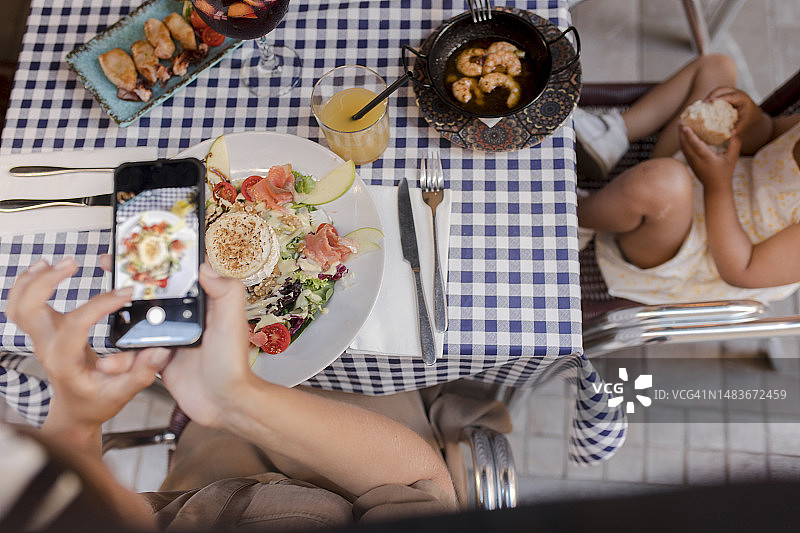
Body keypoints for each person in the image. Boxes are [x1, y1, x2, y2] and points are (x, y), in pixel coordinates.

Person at [0, 257, 511, 531]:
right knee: (397, 359)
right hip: (376, 448)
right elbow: (420, 484)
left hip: (211, 443)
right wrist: (239, 399)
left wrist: (76, 418)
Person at [573, 54, 800, 305]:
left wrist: (717, 186)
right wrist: (754, 120)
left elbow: (742, 269)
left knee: (662, 183)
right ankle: (612, 135)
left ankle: (574, 218)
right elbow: (768, 135)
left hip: (699, 253)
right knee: (716, 68)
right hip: (710, 172)